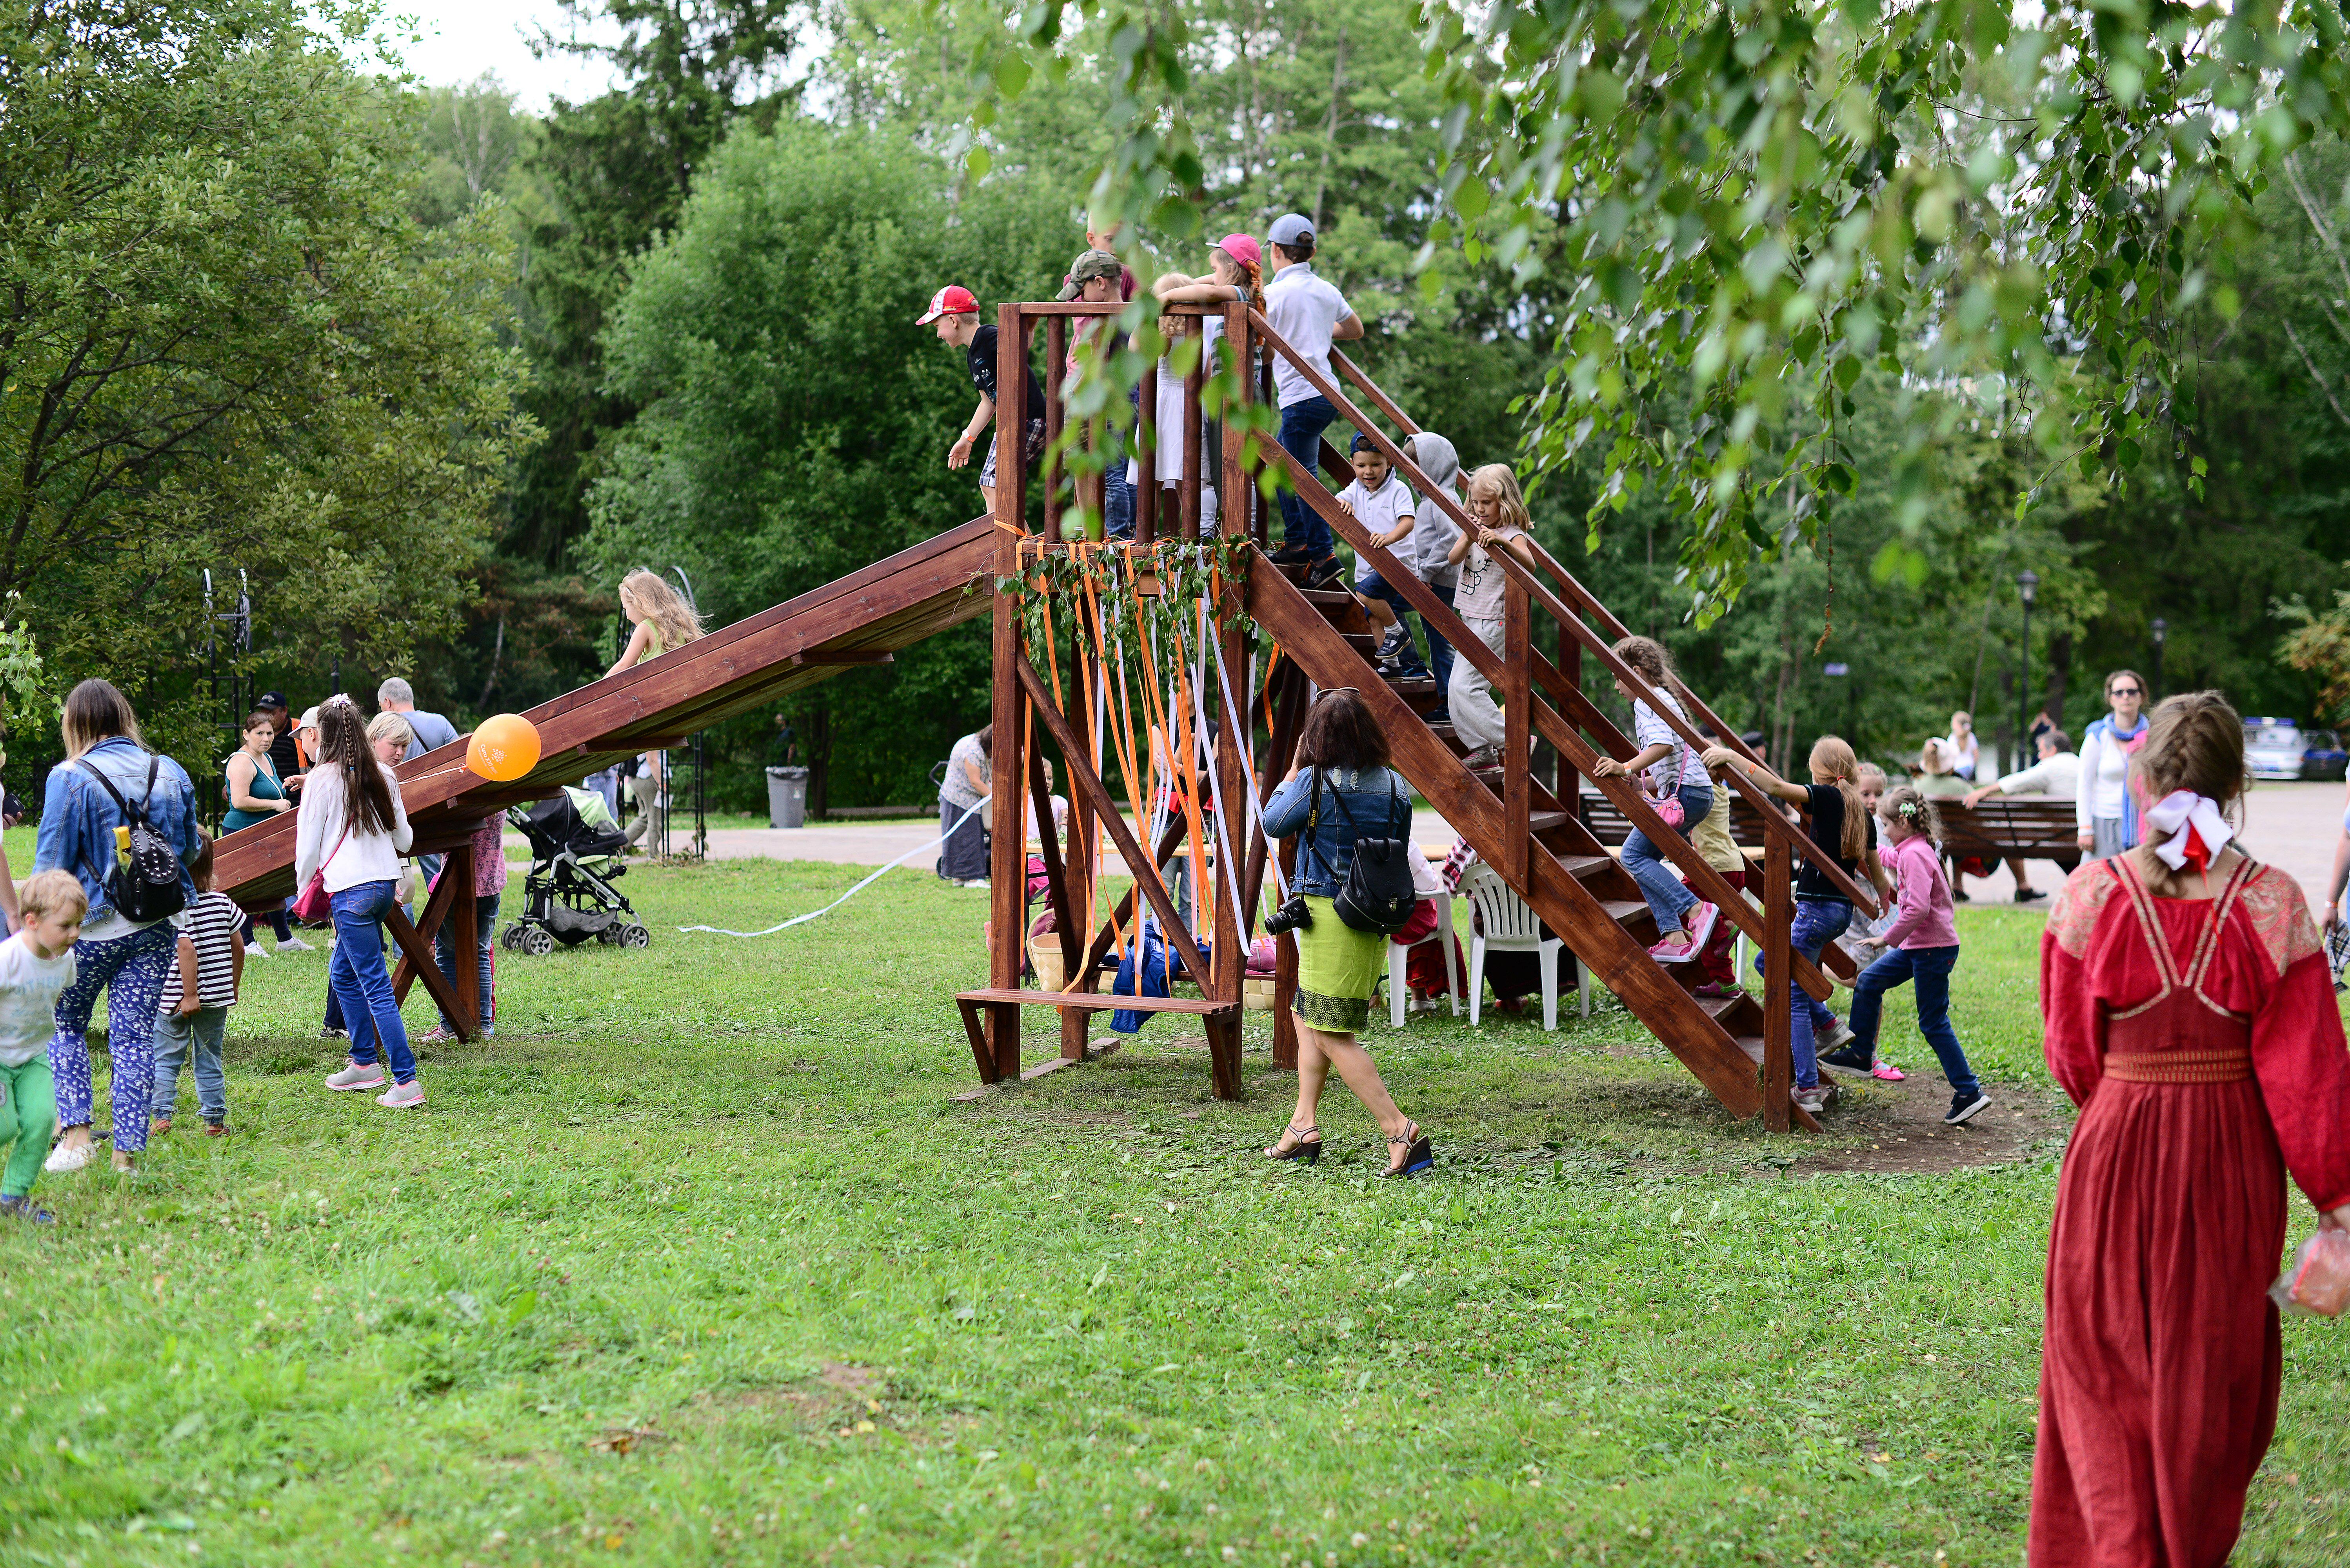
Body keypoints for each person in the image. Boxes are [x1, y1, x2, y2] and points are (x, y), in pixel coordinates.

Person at [2032, 690, 2350, 1567]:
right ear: (2234, 784)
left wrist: (2132, 1096)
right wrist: (2336, 1200)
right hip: (2227, 1165)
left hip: (2111, 1153)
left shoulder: (2090, 894)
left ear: (2139, 775)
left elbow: (2068, 1052)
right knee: (2208, 1379)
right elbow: (2310, 1078)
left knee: (2101, 1375)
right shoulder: (2275, 904)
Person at [1259, 689, 1432, 1177]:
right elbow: (1394, 842)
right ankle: (1302, 1124)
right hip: (1373, 912)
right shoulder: (1397, 786)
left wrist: (1294, 767)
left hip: (1327, 915)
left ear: (1316, 737)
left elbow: (1273, 821)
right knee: (1304, 1011)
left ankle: (1398, 1129)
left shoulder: (1312, 780)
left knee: (1330, 1031)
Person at [34, 678, 202, 1174]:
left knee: (63, 1024)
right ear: (123, 715)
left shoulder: (68, 777)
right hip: (156, 924)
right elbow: (187, 851)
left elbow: (51, 866)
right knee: (134, 1039)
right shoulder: (169, 771)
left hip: (88, 930)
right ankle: (127, 1154)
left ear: (77, 723)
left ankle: (77, 1138)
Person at [1701, 735, 1881, 1115]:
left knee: (1792, 994)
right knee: (1767, 964)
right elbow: (1875, 872)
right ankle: (1829, 1025)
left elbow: (1773, 787)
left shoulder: (1827, 797)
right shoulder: (1861, 812)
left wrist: (1731, 756)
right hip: (1839, 911)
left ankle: (1808, 1088)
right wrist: (1885, 899)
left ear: (1821, 771)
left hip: (1816, 910)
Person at [1833, 789, 1989, 1122]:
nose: (1885, 831)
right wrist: (1864, 844)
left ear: (1903, 821)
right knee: (1870, 981)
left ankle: (1968, 1091)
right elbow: (1889, 856)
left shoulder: (1916, 856)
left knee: (1933, 1023)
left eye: (1887, 825)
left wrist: (1885, 939)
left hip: (1932, 950)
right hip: (1920, 947)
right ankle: (1862, 1054)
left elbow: (1917, 908)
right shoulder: (1912, 849)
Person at [302, 698, 423, 1109]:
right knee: (343, 974)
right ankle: (364, 1062)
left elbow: (307, 849)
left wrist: (302, 895)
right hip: (381, 889)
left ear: (324, 734)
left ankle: (405, 1081)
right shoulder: (385, 775)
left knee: (374, 986)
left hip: (349, 893)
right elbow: (405, 840)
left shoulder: (320, 780)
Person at [1594, 635, 1719, 962]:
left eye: (1618, 677)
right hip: (1694, 793)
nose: (1617, 687)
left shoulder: (1647, 700)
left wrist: (1623, 766)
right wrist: (1644, 781)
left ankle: (1695, 910)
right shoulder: (1662, 697)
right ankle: (1674, 936)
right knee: (1642, 857)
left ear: (1636, 672)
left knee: (1633, 856)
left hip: (1688, 794)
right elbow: (1673, 756)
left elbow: (1662, 746)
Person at [1261, 213, 1363, 585]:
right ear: (1312, 252)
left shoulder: (1273, 295)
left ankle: (1322, 554)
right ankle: (1299, 542)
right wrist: (1319, 332)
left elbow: (1266, 351)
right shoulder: (1325, 290)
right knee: (1286, 470)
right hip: (1326, 394)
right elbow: (1355, 329)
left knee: (1300, 476)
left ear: (1275, 251)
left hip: (1300, 396)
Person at [1443, 465, 1540, 769]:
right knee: (1456, 689)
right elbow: (1453, 559)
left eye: (1487, 503)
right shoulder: (1472, 524)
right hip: (1470, 618)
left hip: (1494, 622)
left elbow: (1530, 566)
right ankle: (1481, 747)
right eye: (1475, 502)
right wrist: (1469, 536)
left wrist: (1502, 543)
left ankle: (1514, 740)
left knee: (1465, 687)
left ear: (1505, 501)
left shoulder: (1513, 533)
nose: (1480, 509)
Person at [922, 284, 1047, 515]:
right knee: (989, 485)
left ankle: (1014, 548)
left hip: (1029, 418)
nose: (938, 334)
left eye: (937, 326)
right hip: (1012, 422)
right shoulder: (972, 355)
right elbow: (988, 402)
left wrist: (1030, 324)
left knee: (994, 484)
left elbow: (1021, 346)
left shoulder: (988, 336)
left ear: (953, 320)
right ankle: (1005, 545)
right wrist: (967, 438)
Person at [605, 570, 707, 852]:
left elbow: (623, 667)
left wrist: (599, 689)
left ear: (641, 603)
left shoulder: (645, 628)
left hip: (653, 706)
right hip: (680, 703)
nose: (626, 615)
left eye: (627, 608)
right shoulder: (680, 624)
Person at [149, 833, 243, 1138]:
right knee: (209, 1058)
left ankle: (161, 1119)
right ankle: (214, 1123)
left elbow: (185, 949)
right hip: (215, 998)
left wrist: (190, 995)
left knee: (166, 1059)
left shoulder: (172, 906)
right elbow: (239, 948)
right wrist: (233, 985)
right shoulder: (222, 902)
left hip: (174, 998)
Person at [0, 871, 81, 1222]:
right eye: (65, 926)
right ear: (31, 922)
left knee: (41, 1120)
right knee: (4, 1128)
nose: (75, 934)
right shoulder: (8, 960)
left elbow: (54, 997)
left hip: (34, 1056)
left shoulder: (65, 960)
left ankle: (12, 1198)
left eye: (78, 924)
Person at [1122, 296, 1220, 535]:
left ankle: (1146, 534)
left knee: (1152, 477)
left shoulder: (1162, 340)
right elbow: (1206, 379)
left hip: (1160, 404)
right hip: (1188, 407)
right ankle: (1193, 533)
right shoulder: (1198, 341)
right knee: (1184, 474)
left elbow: (1133, 347)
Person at [1057, 250, 1136, 538]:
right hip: (1121, 398)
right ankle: (1106, 530)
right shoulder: (1129, 313)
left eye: (1082, 290)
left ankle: (1115, 535)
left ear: (1100, 283)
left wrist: (1071, 394)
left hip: (1105, 399)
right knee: (1113, 468)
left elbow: (1094, 365)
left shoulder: (1106, 319)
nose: (1080, 298)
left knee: (1111, 471)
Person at [221, 707, 307, 953]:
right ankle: (247, 942)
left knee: (274, 886)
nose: (266, 738)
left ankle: (285, 940)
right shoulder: (241, 761)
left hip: (265, 832)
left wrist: (285, 786)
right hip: (242, 833)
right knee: (247, 886)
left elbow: (267, 788)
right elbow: (239, 801)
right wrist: (274, 804)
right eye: (260, 733)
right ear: (246, 735)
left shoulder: (265, 758)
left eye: (270, 733)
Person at [1335, 434, 1421, 673]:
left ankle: (1397, 633)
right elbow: (1338, 501)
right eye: (1361, 466)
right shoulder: (1356, 489)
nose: (1368, 472)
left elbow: (1407, 522)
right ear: (1352, 464)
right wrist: (1345, 504)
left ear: (1389, 463)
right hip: (1368, 566)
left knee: (1364, 595)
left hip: (1397, 563)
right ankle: (1392, 664)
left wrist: (1389, 538)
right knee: (1374, 617)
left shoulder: (1398, 489)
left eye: (1376, 465)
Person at [1961, 727, 2079, 903]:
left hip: (2062, 840)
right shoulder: (2081, 763)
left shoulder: (2052, 766)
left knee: (2011, 835)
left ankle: (2074, 885)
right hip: (2086, 835)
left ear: (2053, 750)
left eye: (2041, 751)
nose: (2039, 757)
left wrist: (1983, 791)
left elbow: (2018, 782)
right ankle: (2080, 884)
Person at [424, 811, 507, 1043]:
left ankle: (449, 1025)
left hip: (457, 880)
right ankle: (484, 1026)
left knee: (448, 954)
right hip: (490, 882)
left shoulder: (465, 786)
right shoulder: (500, 785)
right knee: (480, 953)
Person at [2075, 669, 2149, 860]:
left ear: (2141, 697)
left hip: (2143, 823)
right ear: (2111, 699)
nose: (2126, 697)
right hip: (2104, 823)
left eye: (2132, 692)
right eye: (2119, 692)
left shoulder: (2153, 735)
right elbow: (2084, 785)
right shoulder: (2098, 736)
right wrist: (2085, 828)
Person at [938, 726, 992, 887]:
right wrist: (995, 798)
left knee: (966, 837)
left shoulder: (979, 744)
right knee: (968, 838)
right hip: (959, 798)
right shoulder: (973, 751)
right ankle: (972, 879)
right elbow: (975, 782)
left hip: (966, 799)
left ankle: (960, 878)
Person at [376, 677, 458, 761]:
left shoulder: (385, 730)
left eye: (381, 705)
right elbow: (459, 753)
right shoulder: (441, 722)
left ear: (387, 702)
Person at [1941, 710, 1981, 780]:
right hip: (1969, 767)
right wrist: (1972, 765)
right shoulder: (1971, 736)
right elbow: (1976, 755)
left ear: (1958, 725)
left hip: (1957, 768)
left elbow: (1949, 755)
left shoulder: (1953, 738)